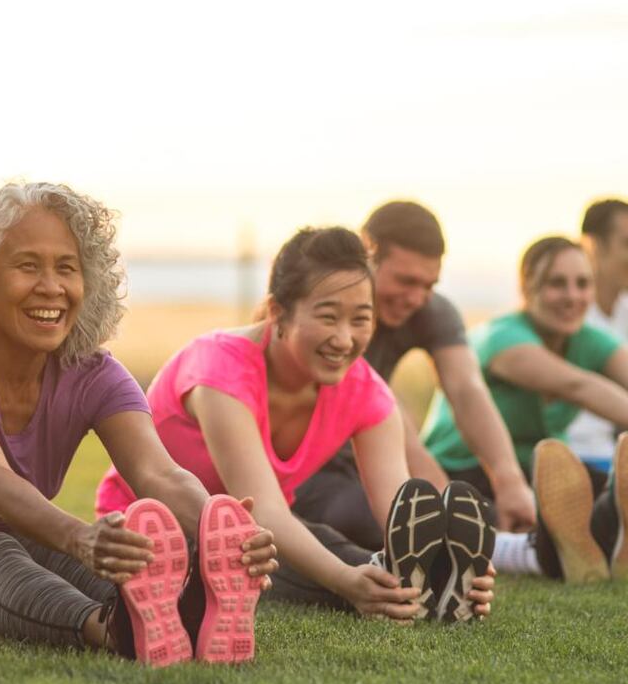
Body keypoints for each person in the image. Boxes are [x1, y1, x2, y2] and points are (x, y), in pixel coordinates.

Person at [0, 182, 278, 667]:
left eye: (67, 268)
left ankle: (186, 612)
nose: (52, 287)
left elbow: (158, 473)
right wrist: (80, 537)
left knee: (119, 558)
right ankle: (108, 631)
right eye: (27, 266)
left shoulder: (94, 374)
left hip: (2, 532)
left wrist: (220, 529)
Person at [97, 226, 496, 623]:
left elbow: (399, 514)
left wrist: (439, 557)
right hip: (153, 531)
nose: (344, 339)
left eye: (361, 319)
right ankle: (405, 592)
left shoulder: (366, 392)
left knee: (329, 547)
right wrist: (347, 581)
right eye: (328, 317)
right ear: (277, 312)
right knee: (278, 555)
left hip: (259, 537)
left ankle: (432, 588)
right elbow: (265, 511)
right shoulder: (219, 371)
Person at [292, 202, 535, 550]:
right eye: (406, 281)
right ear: (367, 254)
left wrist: (509, 480)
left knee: (482, 510)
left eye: (428, 284)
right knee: (370, 519)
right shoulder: (330, 313)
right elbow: (395, 424)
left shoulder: (431, 310)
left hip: (375, 464)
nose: (416, 298)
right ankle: (504, 550)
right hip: (312, 470)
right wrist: (444, 507)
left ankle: (529, 544)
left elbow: (467, 390)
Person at [422, 235, 628, 582]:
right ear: (527, 285)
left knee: (596, 489)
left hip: (545, 475)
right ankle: (555, 550)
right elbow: (577, 386)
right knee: (473, 517)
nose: (572, 297)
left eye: (583, 284)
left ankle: (599, 539)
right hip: (468, 470)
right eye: (556, 283)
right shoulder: (501, 337)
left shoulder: (589, 340)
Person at [566, 198, 628, 475]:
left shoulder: (624, 309)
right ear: (592, 246)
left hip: (613, 452)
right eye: (626, 244)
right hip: (572, 457)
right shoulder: (567, 313)